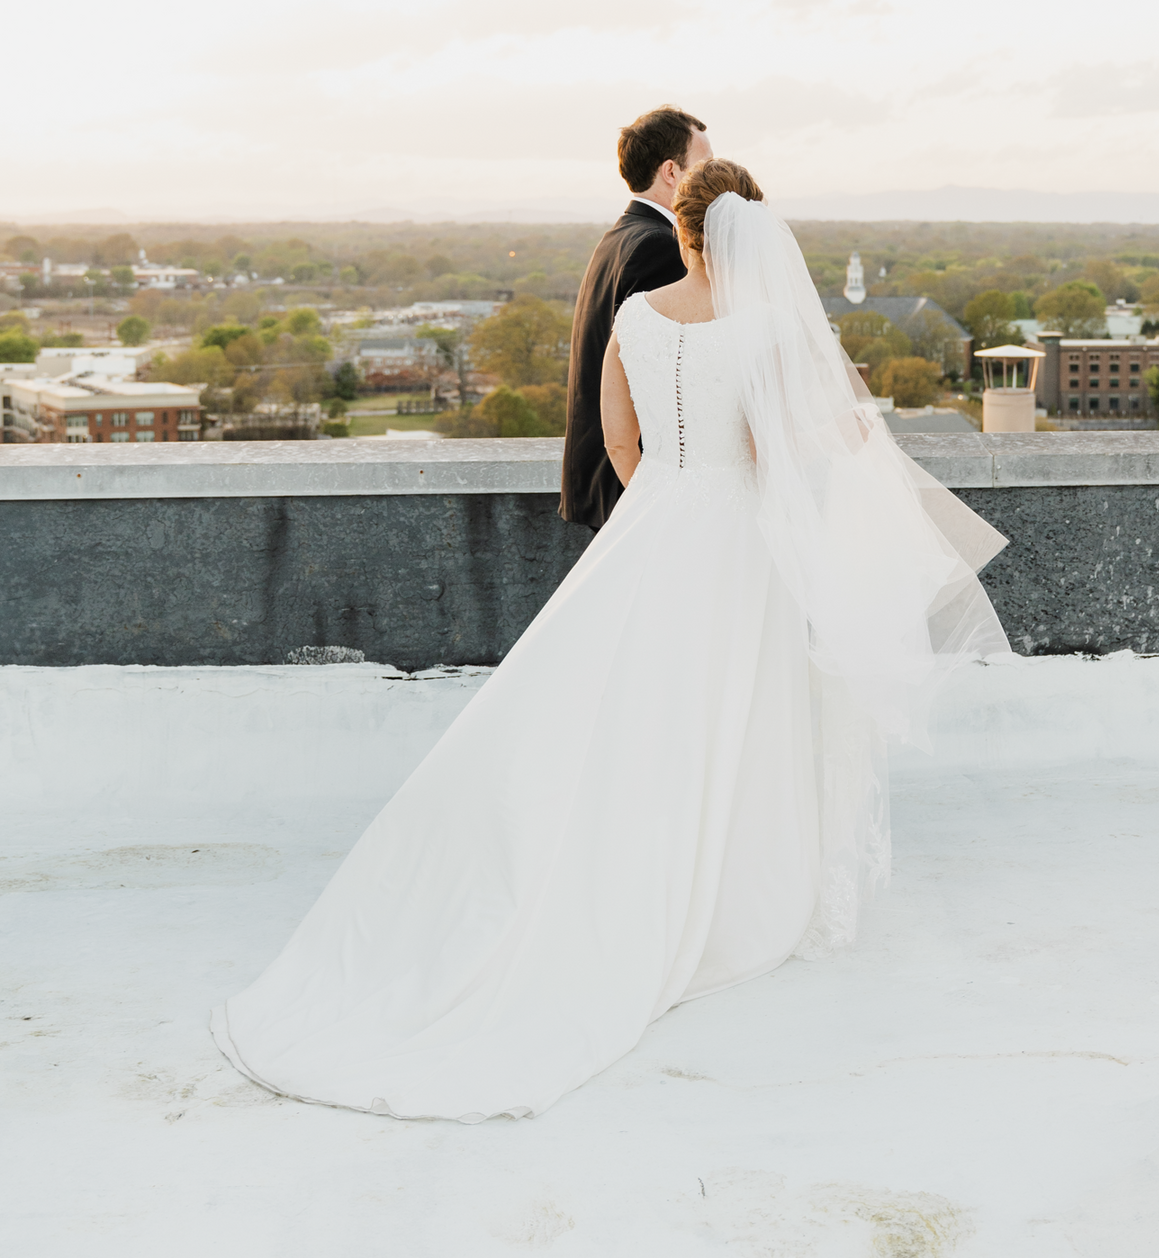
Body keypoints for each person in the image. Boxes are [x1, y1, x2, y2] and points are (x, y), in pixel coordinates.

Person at [212, 159, 1012, 1123]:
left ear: (678, 231)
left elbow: (620, 445)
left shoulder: (635, 319)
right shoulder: (766, 328)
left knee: (621, 705)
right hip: (738, 538)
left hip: (655, 522)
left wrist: (670, 507)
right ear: (750, 235)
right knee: (731, 714)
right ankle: (722, 895)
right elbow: (806, 446)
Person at [560, 103, 712, 529]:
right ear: (671, 172)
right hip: (634, 486)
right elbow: (667, 381)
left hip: (600, 480)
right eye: (704, 165)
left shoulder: (618, 236)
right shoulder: (659, 247)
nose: (711, 177)